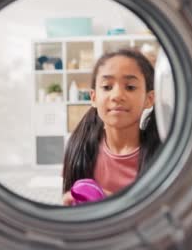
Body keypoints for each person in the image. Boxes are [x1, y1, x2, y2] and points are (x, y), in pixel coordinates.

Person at [62, 49, 161, 205]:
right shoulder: (79, 149)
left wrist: (110, 204)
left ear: (149, 99)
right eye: (107, 87)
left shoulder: (161, 155)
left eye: (130, 87)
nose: (116, 96)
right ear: (93, 98)